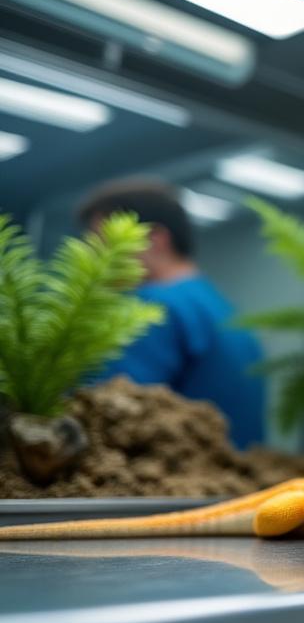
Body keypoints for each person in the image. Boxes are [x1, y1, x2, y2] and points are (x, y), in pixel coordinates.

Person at [79, 178, 267, 450]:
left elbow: (109, 419)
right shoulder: (226, 310)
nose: (93, 258)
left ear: (155, 239)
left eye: (103, 244)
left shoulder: (149, 309)